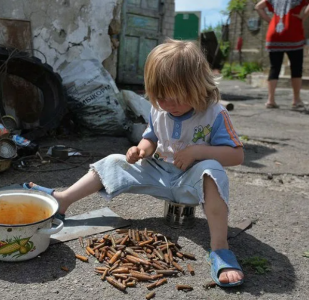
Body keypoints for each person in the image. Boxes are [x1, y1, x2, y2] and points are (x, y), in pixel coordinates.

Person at [23, 39, 245, 287]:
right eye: (162, 98)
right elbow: (151, 137)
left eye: (178, 98)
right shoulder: (159, 110)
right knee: (114, 161)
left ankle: (220, 249)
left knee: (212, 171)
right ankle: (63, 199)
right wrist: (140, 150)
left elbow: (236, 155)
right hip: (160, 174)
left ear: (198, 87)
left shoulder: (214, 113)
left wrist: (198, 151)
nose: (169, 105)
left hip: (191, 182)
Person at [255, 0, 309, 109]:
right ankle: (296, 100)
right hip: (293, 30)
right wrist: (304, 16)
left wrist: (270, 20)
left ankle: (270, 100)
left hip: (274, 32)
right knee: (296, 67)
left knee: (274, 67)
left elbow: (258, 7)